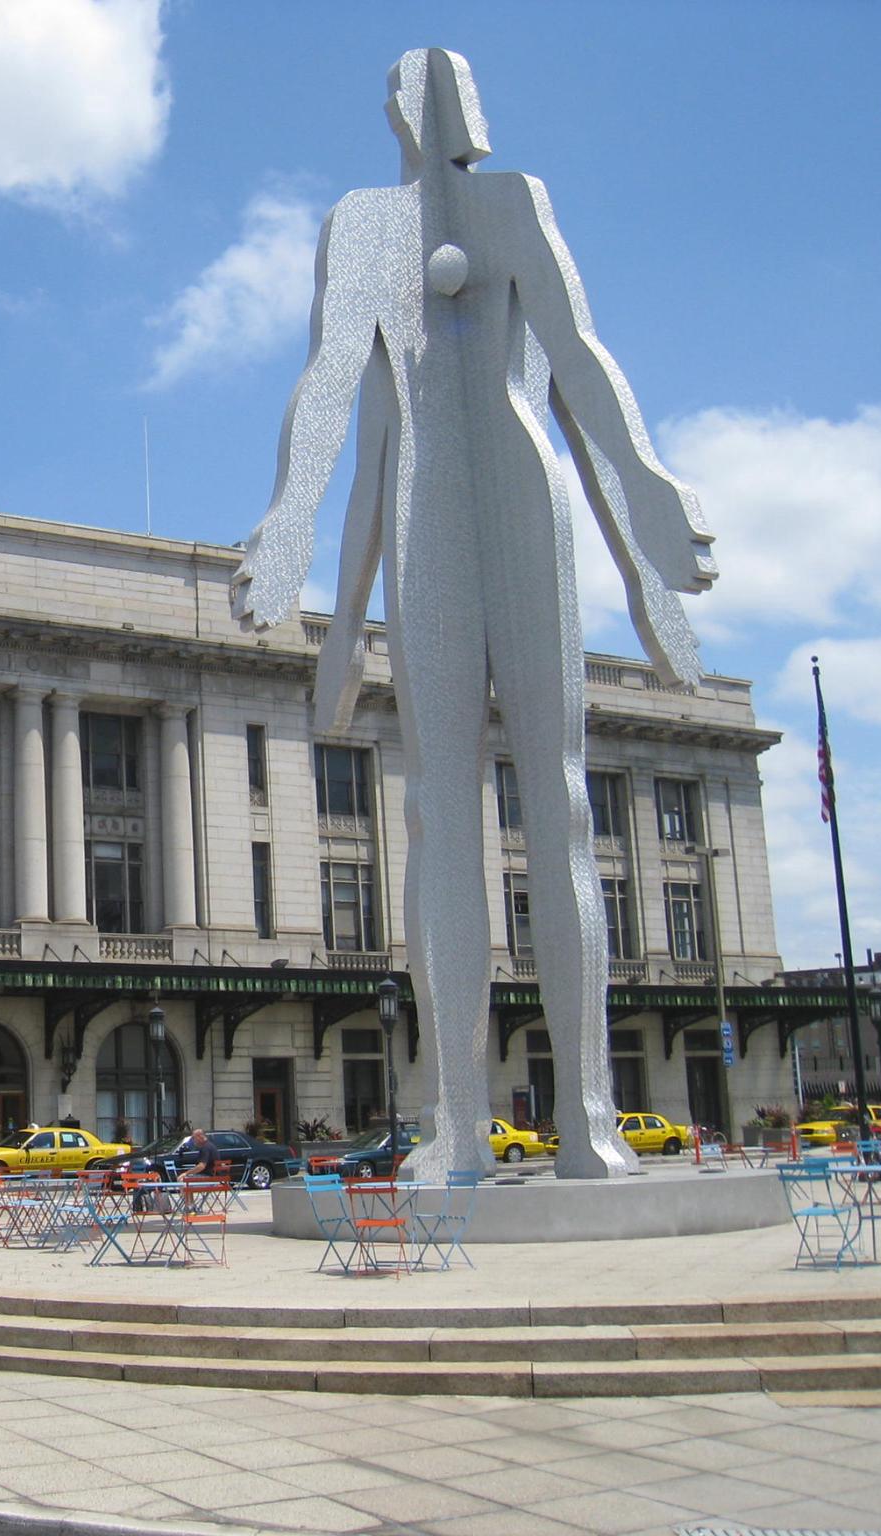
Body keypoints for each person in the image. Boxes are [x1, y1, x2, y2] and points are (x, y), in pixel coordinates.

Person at [233, 48, 715, 1180]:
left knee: (551, 794)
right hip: (423, 508)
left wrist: (645, 497)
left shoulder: (509, 206)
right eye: (420, 93)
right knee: (436, 809)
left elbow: (580, 366)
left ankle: (587, 1115)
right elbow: (329, 389)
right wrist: (295, 527)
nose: (435, 111)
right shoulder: (358, 226)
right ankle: (455, 1115)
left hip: (516, 480)